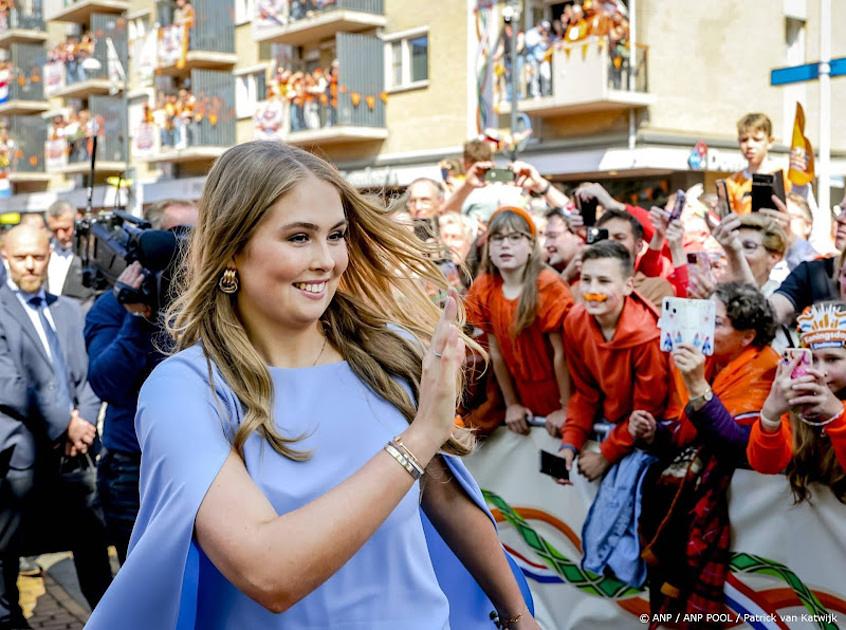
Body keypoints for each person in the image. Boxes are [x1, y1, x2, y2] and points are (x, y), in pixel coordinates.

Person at [86, 141, 536, 629]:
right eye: (299, 237)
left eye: (336, 235)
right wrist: (419, 439)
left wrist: (516, 616)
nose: (326, 259)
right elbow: (268, 572)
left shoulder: (387, 353)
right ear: (231, 249)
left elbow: (446, 495)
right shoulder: (185, 388)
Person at [639, 283, 779, 626]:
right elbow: (682, 436)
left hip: (730, 521)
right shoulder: (711, 361)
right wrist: (652, 434)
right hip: (686, 508)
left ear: (747, 336)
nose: (703, 330)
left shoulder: (765, 370)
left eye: (715, 323)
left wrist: (698, 386)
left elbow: (737, 447)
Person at [0, 225, 111, 629]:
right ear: (5, 256)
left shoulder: (67, 310)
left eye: (38, 256)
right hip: (21, 455)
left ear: (50, 254)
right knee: (6, 553)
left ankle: (112, 618)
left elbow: (89, 376)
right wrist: (66, 423)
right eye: (21, 257)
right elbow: (10, 383)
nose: (30, 265)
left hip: (76, 456)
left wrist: (81, 426)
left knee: (93, 549)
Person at [84, 200, 198, 565]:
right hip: (132, 469)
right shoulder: (111, 306)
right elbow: (106, 383)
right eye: (172, 238)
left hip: (197, 463)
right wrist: (136, 318)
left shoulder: (210, 304)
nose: (183, 250)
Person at [560, 240, 670, 481]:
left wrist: (606, 455)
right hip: (609, 426)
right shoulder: (574, 321)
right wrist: (570, 444)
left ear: (628, 286)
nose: (591, 290)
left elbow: (647, 411)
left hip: (646, 441)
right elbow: (585, 393)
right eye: (586, 280)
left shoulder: (648, 336)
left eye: (604, 281)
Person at [464, 206, 573, 439]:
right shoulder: (484, 286)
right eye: (498, 238)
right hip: (523, 397)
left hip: (562, 395)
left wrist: (566, 408)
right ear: (489, 248)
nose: (505, 244)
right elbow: (496, 352)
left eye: (515, 238)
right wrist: (512, 404)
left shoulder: (548, 285)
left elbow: (562, 354)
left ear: (532, 246)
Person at [748, 301, 846, 503]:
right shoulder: (798, 400)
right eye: (812, 359)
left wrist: (837, 415)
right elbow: (766, 465)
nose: (819, 371)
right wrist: (770, 417)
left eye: (832, 359)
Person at [595, 208, 675, 308]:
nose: (610, 243)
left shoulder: (656, 289)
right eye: (604, 238)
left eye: (619, 237)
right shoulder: (582, 287)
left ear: (639, 246)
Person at [725, 113, 792, 216]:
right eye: (744, 140)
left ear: (770, 141)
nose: (749, 145)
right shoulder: (732, 183)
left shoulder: (785, 177)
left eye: (757, 139)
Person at [44, 200, 95, 305]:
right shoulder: (43, 250)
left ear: (78, 220)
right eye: (55, 230)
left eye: (66, 229)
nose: (60, 236)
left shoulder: (93, 250)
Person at [541, 208, 583, 283]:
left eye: (552, 236)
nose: (546, 245)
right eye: (546, 237)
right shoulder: (544, 271)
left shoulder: (594, 274)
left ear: (578, 237)